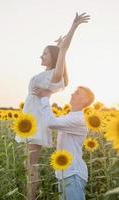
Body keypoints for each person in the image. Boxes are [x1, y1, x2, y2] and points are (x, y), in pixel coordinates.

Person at [15, 12, 90, 200]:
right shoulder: (48, 74)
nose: (41, 55)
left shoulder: (54, 77)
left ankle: (32, 197)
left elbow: (63, 51)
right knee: (28, 164)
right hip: (31, 118)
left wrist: (73, 27)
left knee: (31, 165)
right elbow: (60, 50)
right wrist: (57, 45)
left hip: (37, 121)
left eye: (45, 53)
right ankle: (34, 195)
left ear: (54, 58)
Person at [33, 86, 95, 200]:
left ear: (85, 100)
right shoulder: (69, 117)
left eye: (77, 93)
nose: (72, 94)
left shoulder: (78, 120)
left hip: (73, 174)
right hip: (65, 173)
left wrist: (45, 98)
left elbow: (51, 123)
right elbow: (48, 121)